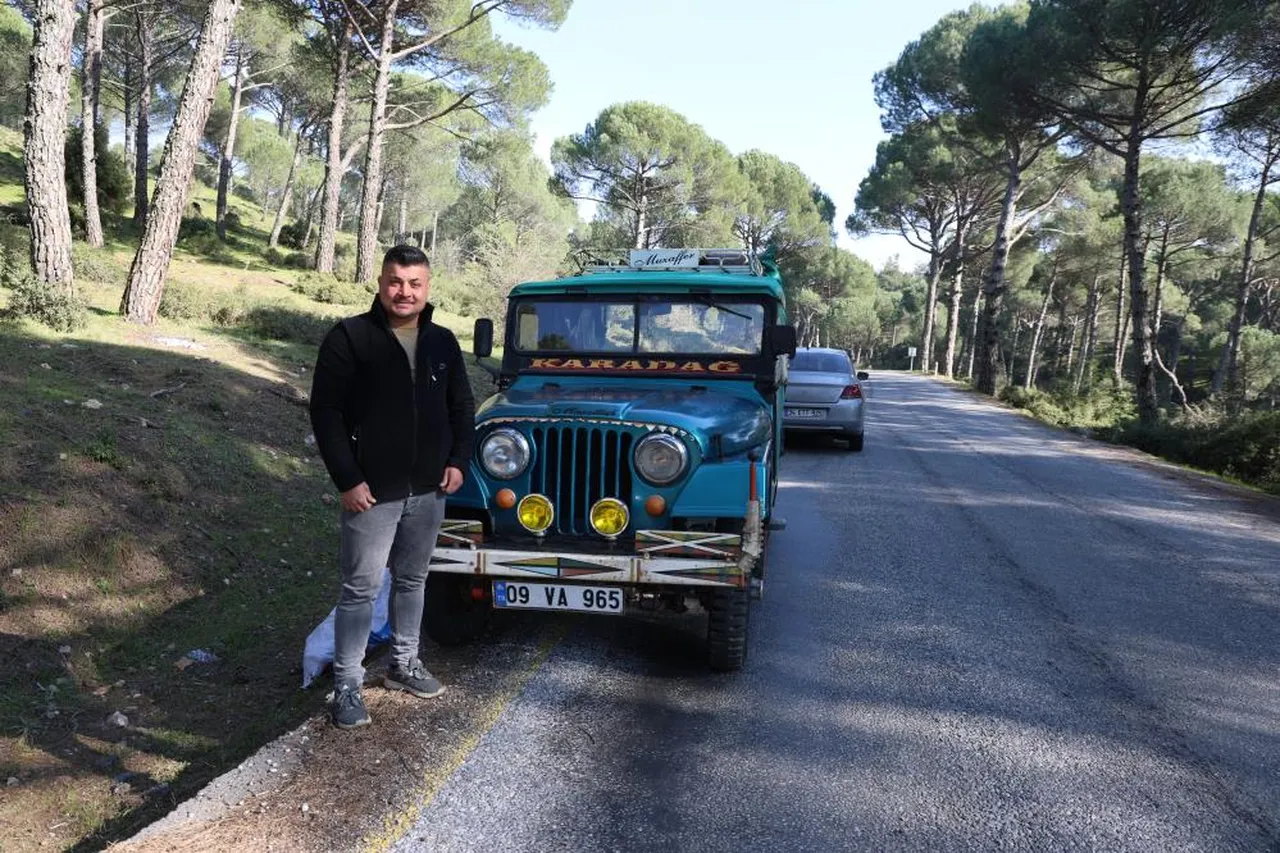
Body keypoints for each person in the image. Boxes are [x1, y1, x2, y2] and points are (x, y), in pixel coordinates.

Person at [309, 245, 475, 730]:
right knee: (360, 589)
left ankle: (404, 664)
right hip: (371, 493)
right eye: (395, 282)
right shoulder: (350, 337)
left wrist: (458, 461)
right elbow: (325, 412)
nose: (404, 292)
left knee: (412, 580)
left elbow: (462, 406)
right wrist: (347, 479)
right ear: (381, 283)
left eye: (414, 283)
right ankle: (347, 685)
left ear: (427, 287)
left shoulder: (443, 342)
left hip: (429, 490)